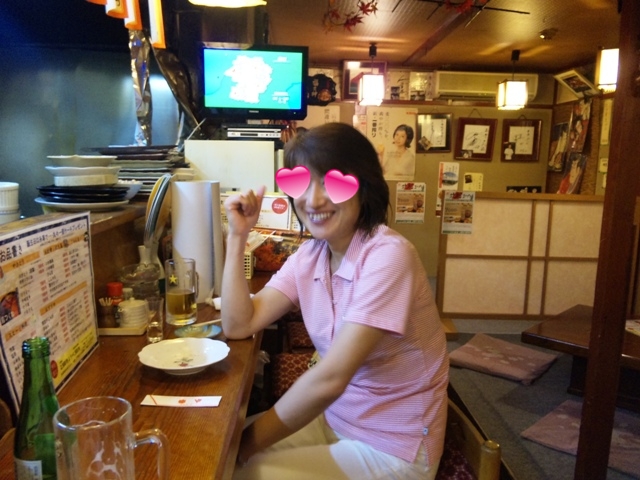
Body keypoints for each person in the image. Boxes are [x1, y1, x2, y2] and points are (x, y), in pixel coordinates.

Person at [222, 122, 449, 480]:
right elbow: (239, 324)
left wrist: (242, 447)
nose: (313, 201)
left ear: (364, 186)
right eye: (302, 183)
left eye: (332, 183)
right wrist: (238, 236)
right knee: (224, 451)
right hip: (336, 419)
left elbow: (331, 378)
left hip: (394, 445)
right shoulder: (311, 255)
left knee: (238, 468)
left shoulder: (388, 256)